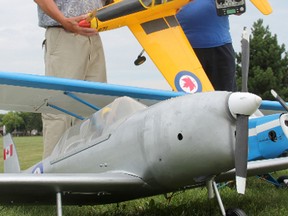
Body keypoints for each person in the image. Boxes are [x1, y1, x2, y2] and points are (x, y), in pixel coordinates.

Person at [34, 0, 107, 158]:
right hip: (63, 33)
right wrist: (63, 20)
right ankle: (53, 180)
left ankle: (88, 177)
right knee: (59, 113)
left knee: (94, 112)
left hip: (93, 36)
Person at [176, 0, 237, 91]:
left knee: (224, 96)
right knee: (186, 96)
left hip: (219, 48)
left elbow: (237, 8)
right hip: (186, 49)